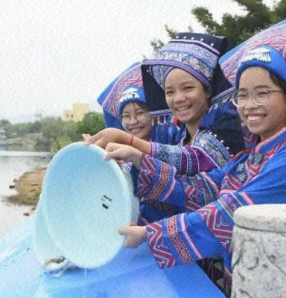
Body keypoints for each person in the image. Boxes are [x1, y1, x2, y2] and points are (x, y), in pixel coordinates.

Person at [107, 19, 286, 297]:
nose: (249, 105)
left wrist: (151, 234)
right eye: (242, 95)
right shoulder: (252, 156)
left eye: (262, 93)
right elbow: (202, 188)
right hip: (249, 287)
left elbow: (230, 213)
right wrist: (137, 158)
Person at [87, 33, 245, 221]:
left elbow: (194, 160)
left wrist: (127, 140)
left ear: (207, 89)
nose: (178, 98)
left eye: (188, 88)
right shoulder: (179, 138)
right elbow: (166, 193)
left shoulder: (226, 129)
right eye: (170, 92)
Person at [96, 62, 180, 144]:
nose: (132, 122)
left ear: (154, 116)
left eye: (139, 113)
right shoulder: (117, 150)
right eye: (126, 116)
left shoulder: (178, 141)